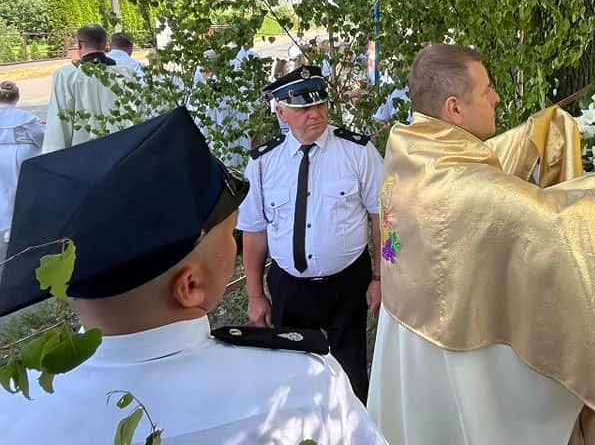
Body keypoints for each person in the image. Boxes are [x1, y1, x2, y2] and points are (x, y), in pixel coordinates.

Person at [0, 107, 386, 444]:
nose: (235, 245)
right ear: (191, 285)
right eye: (227, 235)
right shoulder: (304, 386)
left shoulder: (14, 407)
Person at [368, 44, 595, 445]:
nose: (496, 97)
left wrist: (536, 133)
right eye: (486, 91)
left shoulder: (413, 152)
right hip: (459, 361)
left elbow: (475, 162)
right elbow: (559, 220)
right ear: (454, 109)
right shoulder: (469, 192)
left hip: (416, 341)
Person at [239, 65, 384, 402]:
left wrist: (381, 276)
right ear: (281, 111)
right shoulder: (263, 163)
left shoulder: (359, 153)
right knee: (292, 377)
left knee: (351, 375)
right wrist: (255, 294)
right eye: (303, 107)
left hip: (347, 284)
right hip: (289, 286)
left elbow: (385, 218)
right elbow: (254, 231)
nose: (315, 115)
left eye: (321, 105)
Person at [43, 24, 136, 153]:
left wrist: (52, 158)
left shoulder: (67, 75)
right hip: (121, 148)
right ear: (106, 44)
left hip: (83, 152)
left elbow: (59, 119)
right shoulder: (125, 72)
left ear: (79, 45)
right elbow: (135, 111)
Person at [0, 81, 43, 246]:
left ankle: (7, 224)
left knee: (4, 189)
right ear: (17, 97)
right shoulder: (25, 116)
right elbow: (38, 135)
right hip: (23, 153)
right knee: (22, 188)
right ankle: (20, 224)